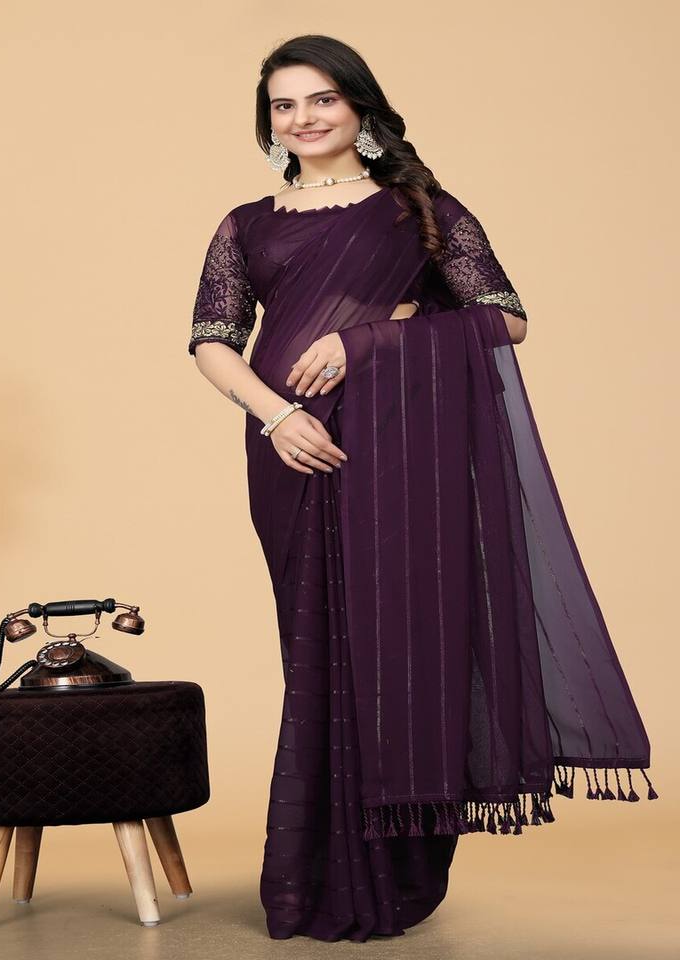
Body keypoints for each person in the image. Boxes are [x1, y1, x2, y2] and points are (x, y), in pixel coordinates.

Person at [188, 34, 657, 943]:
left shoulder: (420, 209)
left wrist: (371, 340)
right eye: (284, 105)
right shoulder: (246, 224)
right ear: (268, 122)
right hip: (291, 456)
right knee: (314, 652)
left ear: (360, 106)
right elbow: (211, 339)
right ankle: (312, 879)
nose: (303, 118)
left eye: (322, 99)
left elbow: (504, 319)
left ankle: (398, 870)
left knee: (400, 647)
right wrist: (278, 417)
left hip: (400, 456)